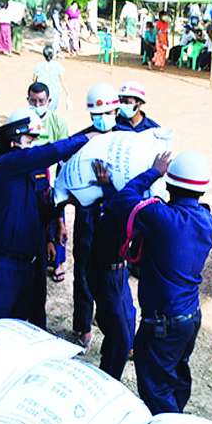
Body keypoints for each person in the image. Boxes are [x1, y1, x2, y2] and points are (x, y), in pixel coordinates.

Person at [109, 151, 212, 414]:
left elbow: (123, 200)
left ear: (169, 185)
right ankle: (176, 417)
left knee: (155, 389)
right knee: (177, 376)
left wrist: (154, 171)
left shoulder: (161, 217)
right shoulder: (208, 221)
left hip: (162, 323)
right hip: (189, 318)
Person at [0, 110, 95, 330]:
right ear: (13, 142)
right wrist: (85, 138)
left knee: (25, 323)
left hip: (31, 261)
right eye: (29, 141)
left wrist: (52, 233)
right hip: (3, 263)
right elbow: (48, 153)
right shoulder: (6, 165)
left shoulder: (35, 170)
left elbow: (44, 204)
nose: (34, 145)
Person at [72, 83, 121, 349]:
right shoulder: (80, 140)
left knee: (115, 273)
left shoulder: (126, 141)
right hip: (87, 216)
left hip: (115, 218)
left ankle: (118, 327)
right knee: (83, 271)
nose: (101, 119)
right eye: (96, 115)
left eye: (106, 113)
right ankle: (83, 326)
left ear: (116, 112)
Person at [87, 159, 136, 380]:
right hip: (106, 275)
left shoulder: (114, 203)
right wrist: (155, 172)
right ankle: (107, 380)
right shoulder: (110, 207)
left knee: (126, 322)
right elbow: (121, 203)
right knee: (121, 339)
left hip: (118, 272)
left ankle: (109, 366)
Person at [28, 81, 70, 283]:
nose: (37, 105)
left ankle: (59, 261)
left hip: (52, 177)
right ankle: (38, 256)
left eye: (41, 101)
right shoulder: (24, 119)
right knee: (34, 218)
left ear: (49, 100)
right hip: (31, 177)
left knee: (57, 218)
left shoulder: (58, 122)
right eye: (33, 101)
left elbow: (64, 151)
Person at [33, 45, 69, 112]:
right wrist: (68, 94)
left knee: (40, 111)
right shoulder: (58, 66)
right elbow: (62, 81)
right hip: (54, 93)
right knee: (51, 112)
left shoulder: (38, 66)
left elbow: (34, 80)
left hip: (41, 92)